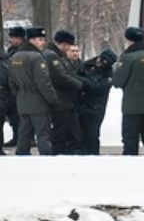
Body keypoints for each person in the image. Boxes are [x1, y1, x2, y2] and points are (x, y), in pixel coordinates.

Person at [112, 26, 144, 156]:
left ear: (129, 40)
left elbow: (117, 81)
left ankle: (131, 165)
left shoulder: (128, 58)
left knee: (130, 139)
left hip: (132, 106)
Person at [9, 27, 56, 155]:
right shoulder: (36, 57)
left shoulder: (15, 57)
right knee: (43, 134)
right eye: (40, 39)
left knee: (24, 134)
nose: (43, 43)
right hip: (39, 102)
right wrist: (52, 99)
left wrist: (20, 95)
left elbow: (11, 83)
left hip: (22, 102)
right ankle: (47, 159)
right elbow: (43, 83)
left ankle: (22, 157)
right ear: (32, 40)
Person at [46, 30, 84, 155]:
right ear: (63, 44)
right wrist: (79, 84)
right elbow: (61, 77)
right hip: (61, 101)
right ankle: (58, 156)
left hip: (67, 101)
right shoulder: (52, 56)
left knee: (73, 133)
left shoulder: (58, 55)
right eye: (68, 45)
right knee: (59, 134)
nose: (69, 48)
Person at [78, 49, 117, 155]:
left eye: (105, 63)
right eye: (101, 60)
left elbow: (97, 87)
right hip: (80, 105)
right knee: (79, 137)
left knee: (92, 136)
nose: (101, 63)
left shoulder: (108, 75)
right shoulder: (86, 65)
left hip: (95, 109)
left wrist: (80, 80)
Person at [4, 26, 23, 147]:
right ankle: (16, 136)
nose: (11, 39)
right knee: (13, 116)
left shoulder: (21, 51)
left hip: (18, 88)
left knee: (19, 116)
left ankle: (21, 138)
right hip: (10, 89)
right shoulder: (11, 50)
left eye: (14, 37)